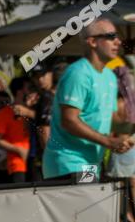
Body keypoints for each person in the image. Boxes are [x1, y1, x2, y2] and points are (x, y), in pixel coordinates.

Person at [43, 19, 133, 181]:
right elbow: (69, 121)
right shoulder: (78, 73)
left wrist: (126, 134)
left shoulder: (110, 77)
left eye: (117, 36)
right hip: (69, 162)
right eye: (111, 36)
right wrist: (108, 141)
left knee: (95, 205)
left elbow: (110, 119)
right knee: (86, 205)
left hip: (90, 164)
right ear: (92, 41)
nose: (118, 41)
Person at [0, 76, 37, 183]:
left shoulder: (35, 110)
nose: (32, 92)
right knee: (21, 196)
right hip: (18, 164)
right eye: (29, 88)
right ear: (19, 91)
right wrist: (19, 150)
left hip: (38, 162)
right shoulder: (4, 113)